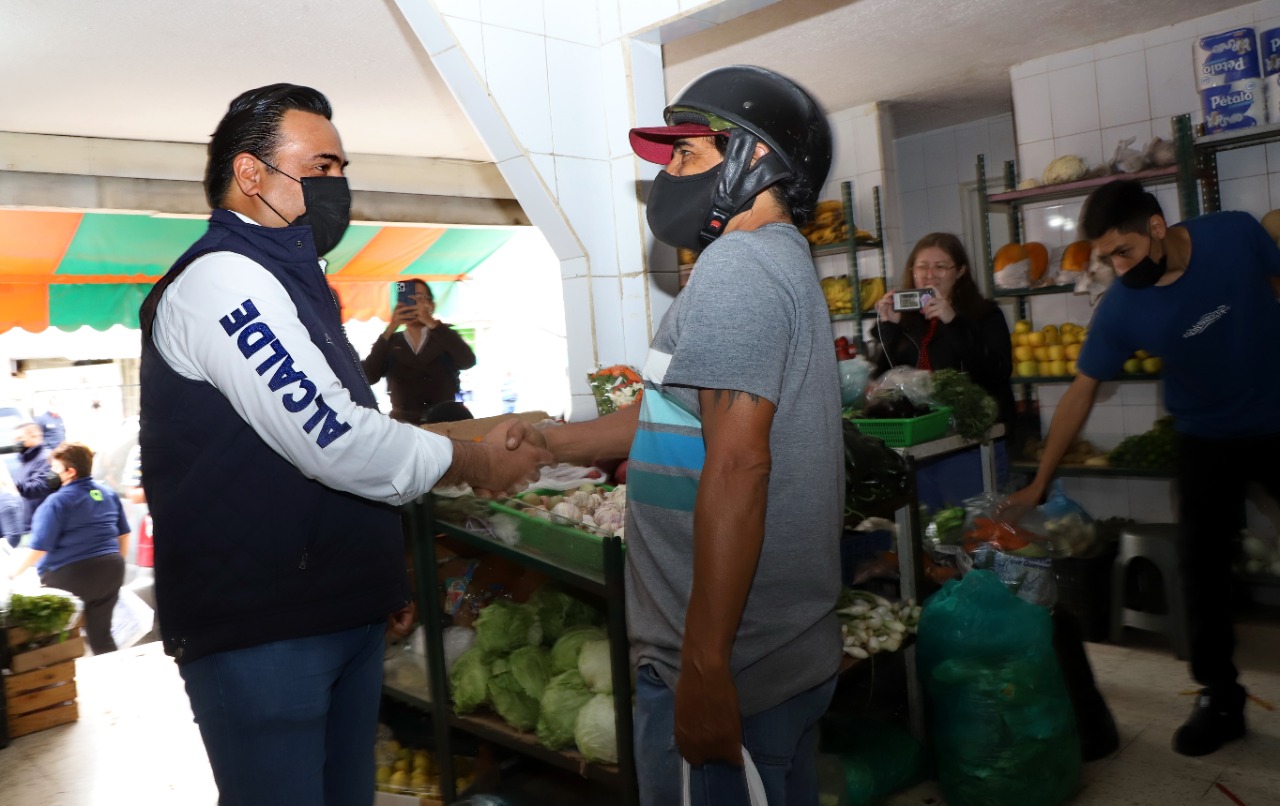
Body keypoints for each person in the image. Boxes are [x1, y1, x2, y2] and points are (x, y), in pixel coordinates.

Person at [137, 83, 551, 806]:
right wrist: (479, 460)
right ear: (251, 173)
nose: (338, 186)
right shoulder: (223, 282)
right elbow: (333, 440)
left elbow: (343, 430)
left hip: (337, 607)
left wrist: (379, 576)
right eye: (321, 167)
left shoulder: (296, 284)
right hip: (264, 625)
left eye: (341, 169)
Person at [507, 65, 843, 805]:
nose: (669, 176)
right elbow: (677, 412)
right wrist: (552, 444)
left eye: (686, 155)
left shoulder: (738, 268)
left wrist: (704, 669)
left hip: (736, 665)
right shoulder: (774, 263)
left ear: (755, 159)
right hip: (779, 655)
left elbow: (737, 468)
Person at [1000, 179, 1280, 757]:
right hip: (1205, 437)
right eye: (1106, 258)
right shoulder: (1124, 306)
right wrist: (1040, 480)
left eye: (1121, 252)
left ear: (1157, 227)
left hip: (1277, 416)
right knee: (1201, 567)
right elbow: (1081, 391)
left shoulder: (1233, 234)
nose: (1116, 268)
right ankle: (1220, 697)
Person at [872, 232, 1015, 506]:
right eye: (921, 266)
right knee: (926, 532)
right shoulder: (907, 319)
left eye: (941, 267)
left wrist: (953, 321)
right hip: (920, 445)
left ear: (960, 272)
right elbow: (886, 379)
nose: (930, 275)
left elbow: (996, 372)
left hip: (969, 444)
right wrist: (888, 327)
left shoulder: (985, 314)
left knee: (970, 530)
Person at [7, 443, 128, 655]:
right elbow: (124, 534)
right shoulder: (107, 494)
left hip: (71, 574)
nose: (50, 474)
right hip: (112, 570)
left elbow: (39, 548)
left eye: (55, 468)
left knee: (53, 636)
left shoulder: (57, 502)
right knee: (101, 635)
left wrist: (13, 574)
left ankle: (54, 675)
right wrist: (116, 563)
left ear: (70, 472)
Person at [362, 279, 476, 424]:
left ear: (431, 305)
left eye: (420, 298)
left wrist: (432, 323)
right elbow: (368, 376)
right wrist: (391, 327)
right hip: (404, 425)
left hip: (443, 421)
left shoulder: (444, 335)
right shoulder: (391, 342)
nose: (414, 303)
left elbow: (467, 361)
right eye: (409, 298)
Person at [12, 422, 57, 547]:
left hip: (41, 527)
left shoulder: (46, 459)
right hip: (29, 525)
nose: (17, 443)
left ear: (35, 436)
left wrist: (12, 484)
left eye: (20, 439)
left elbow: (40, 487)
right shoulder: (27, 460)